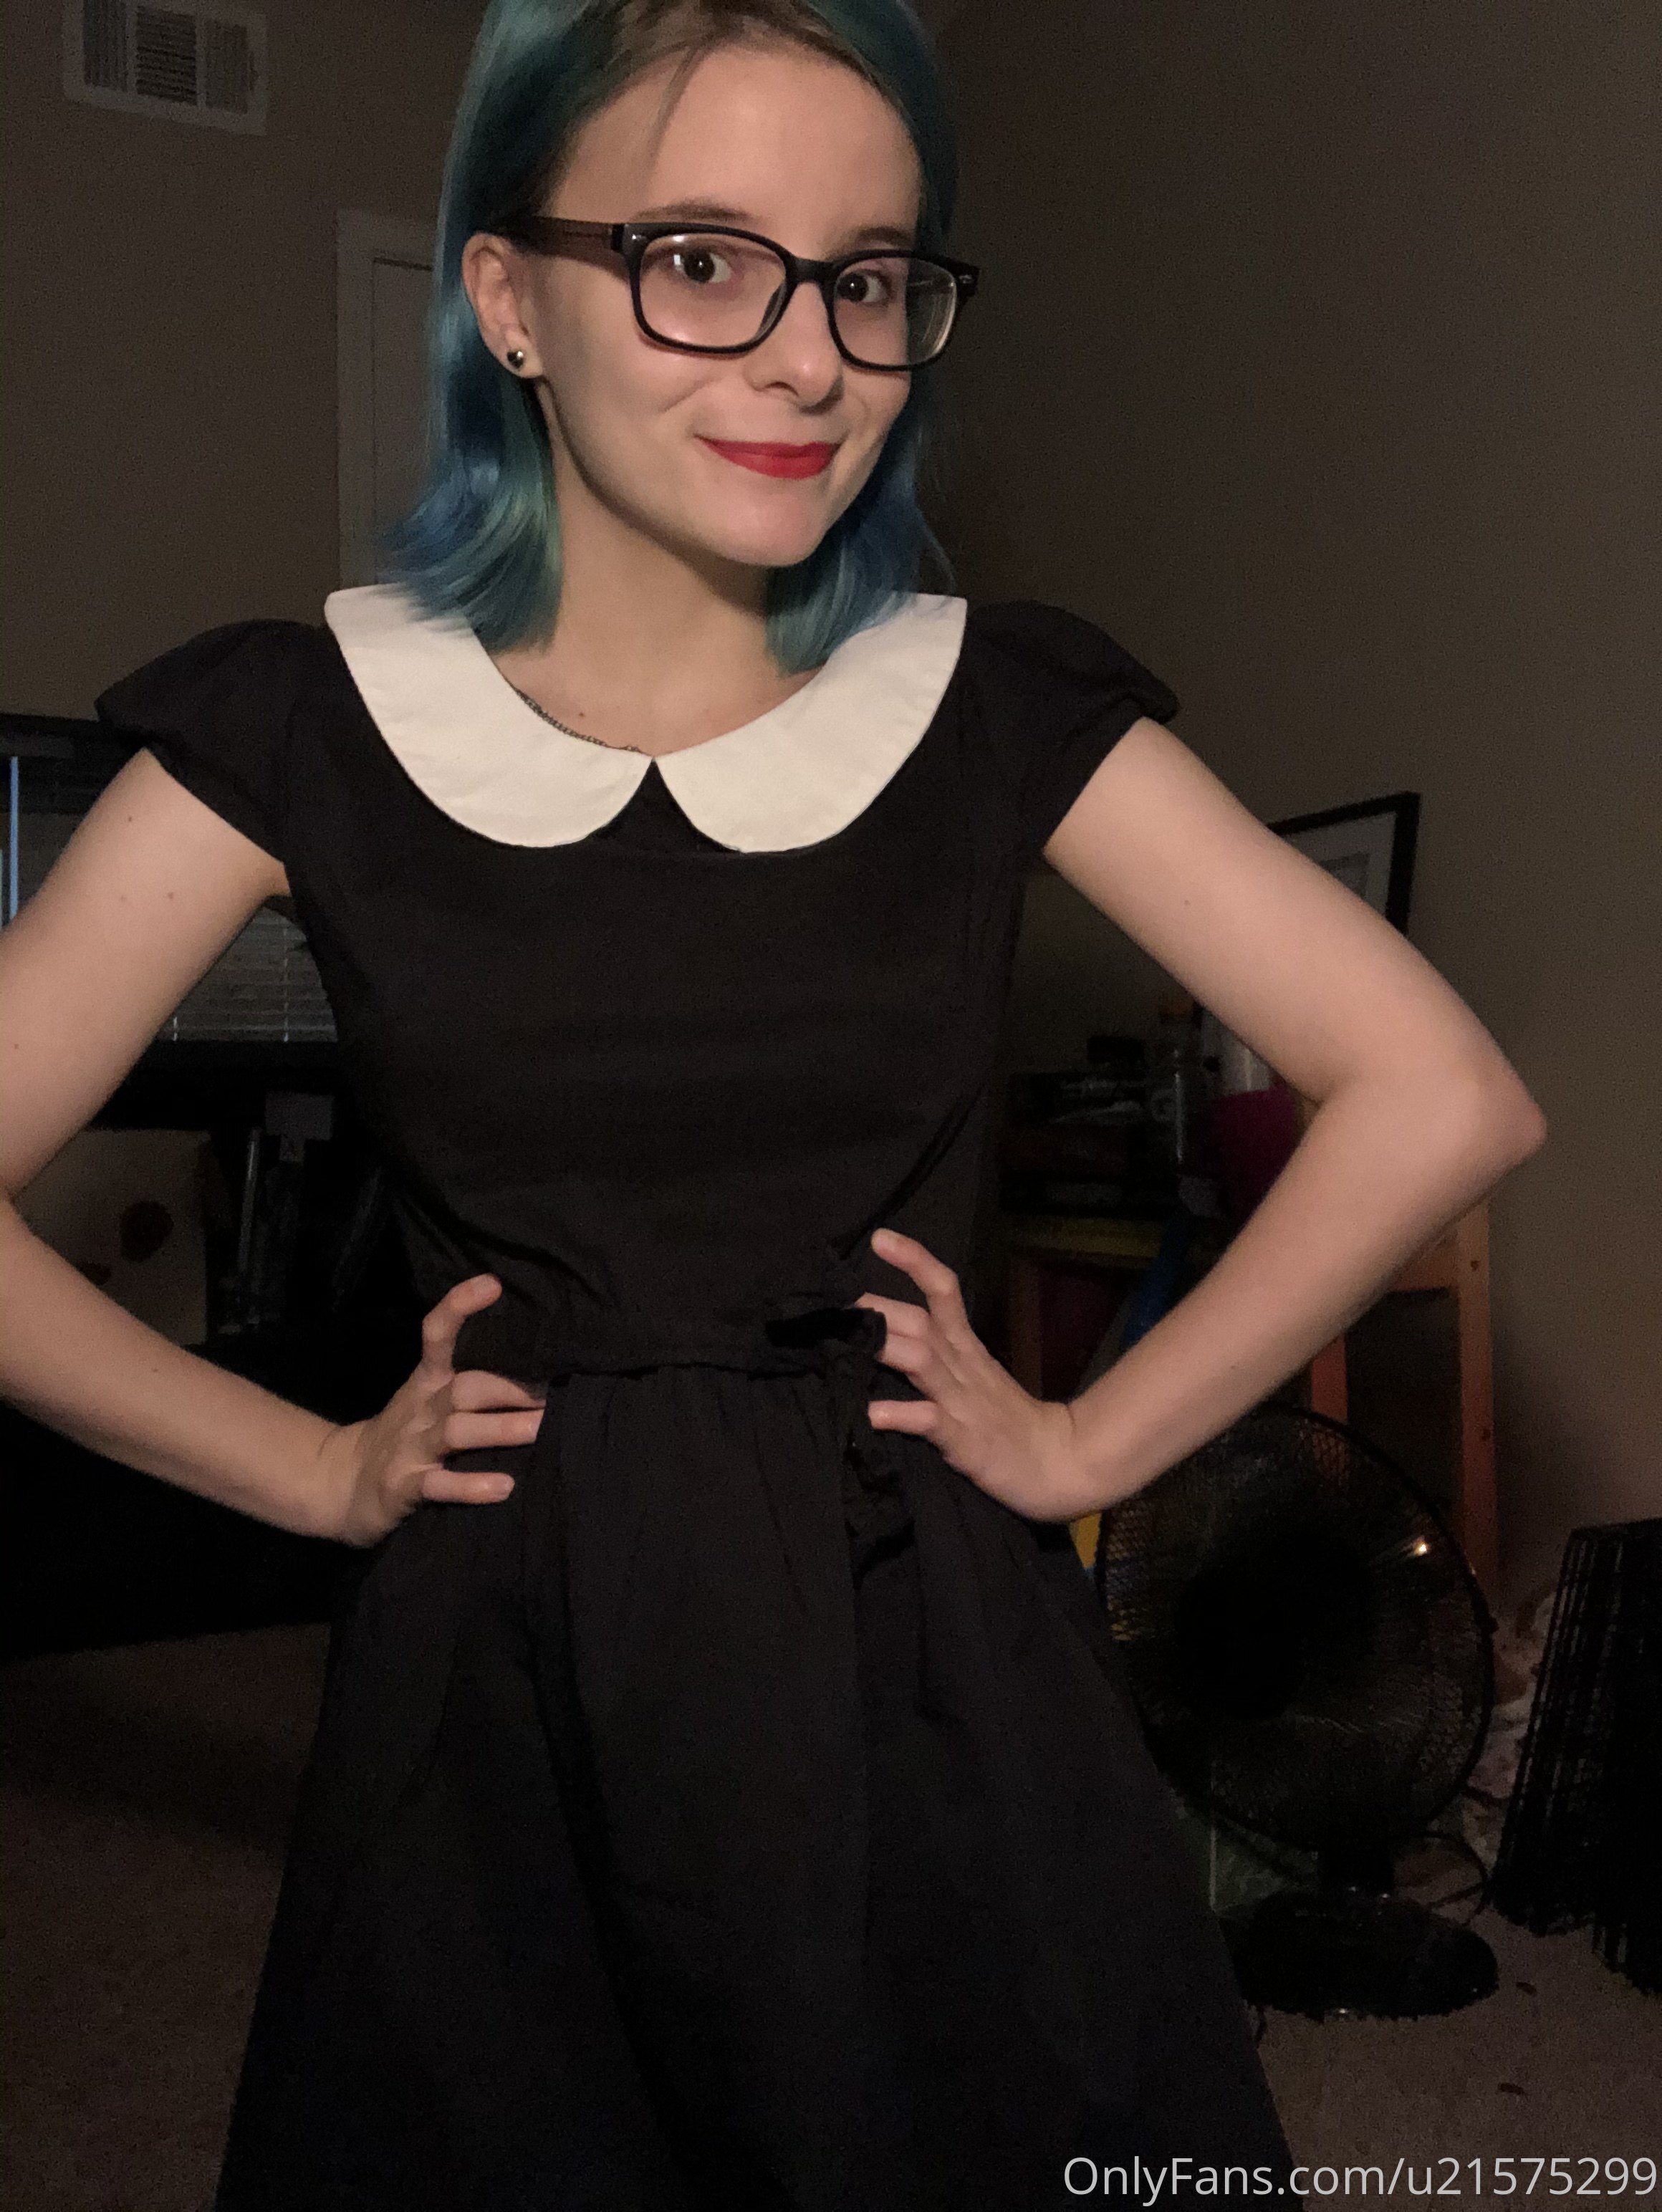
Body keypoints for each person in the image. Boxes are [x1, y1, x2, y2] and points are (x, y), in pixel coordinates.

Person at [0, 0, 1545, 2204]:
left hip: (912, 1617)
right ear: (507, 298)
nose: (812, 357)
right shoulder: (304, 722)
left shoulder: (991, 705)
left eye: (870, 278)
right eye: (703, 260)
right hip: (508, 1640)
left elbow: (1440, 1093)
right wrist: (313, 1469)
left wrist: (1090, 1441)